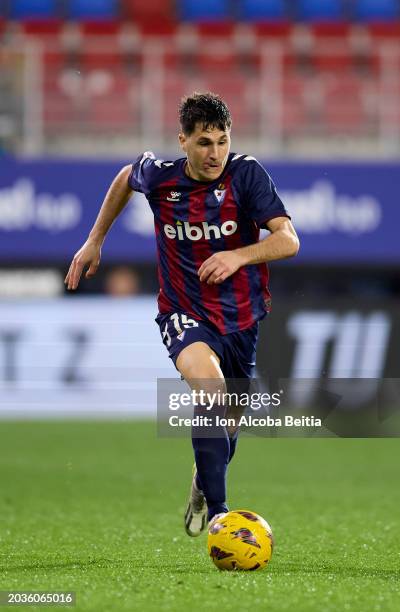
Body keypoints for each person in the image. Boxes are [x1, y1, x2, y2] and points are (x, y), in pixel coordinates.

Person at [65, 92, 299, 537]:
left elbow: (289, 240)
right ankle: (219, 515)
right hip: (183, 311)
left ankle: (201, 483)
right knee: (209, 391)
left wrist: (238, 256)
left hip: (242, 318)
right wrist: (95, 239)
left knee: (228, 423)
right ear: (184, 141)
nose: (215, 154)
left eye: (222, 141)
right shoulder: (161, 178)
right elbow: (124, 177)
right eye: (204, 142)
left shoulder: (246, 174)